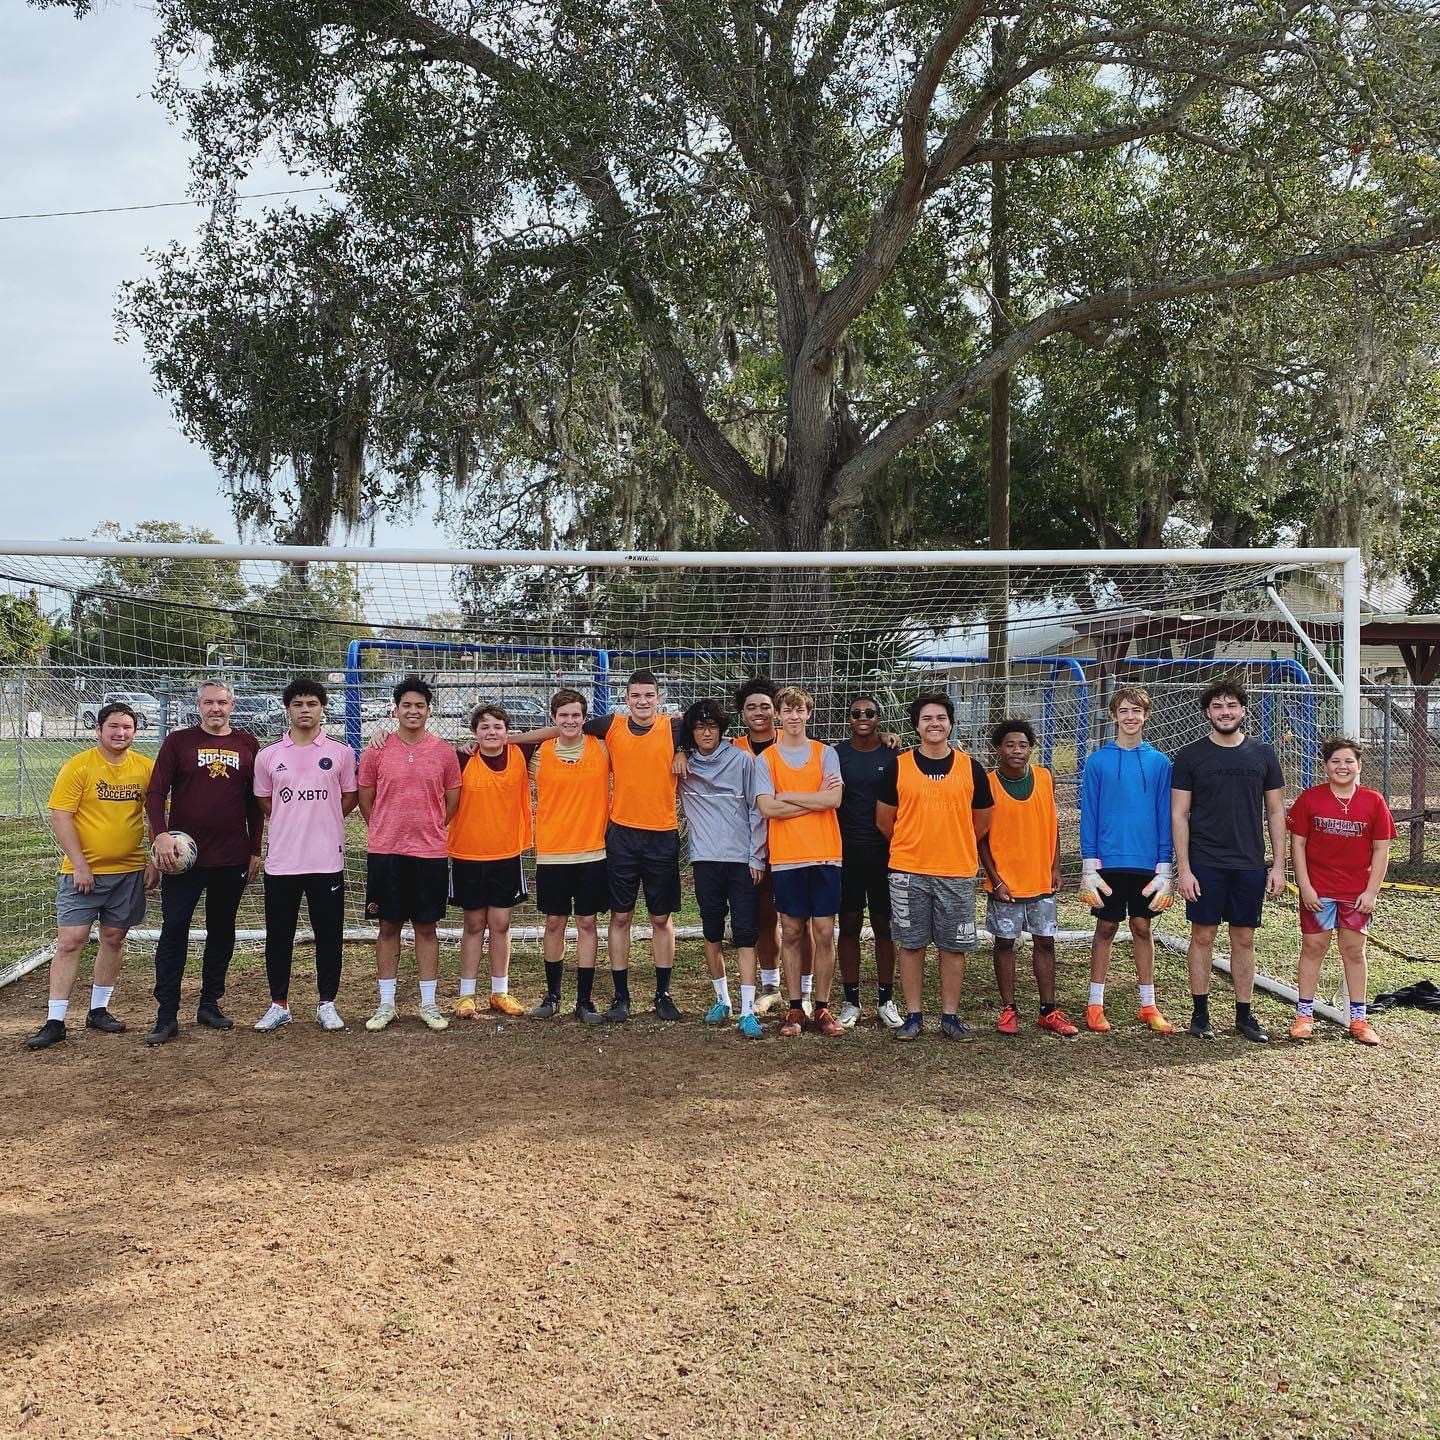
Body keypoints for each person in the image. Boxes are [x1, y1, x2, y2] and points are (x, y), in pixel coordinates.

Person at [514, 669, 687, 1022]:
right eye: (635, 695)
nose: (642, 701)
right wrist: (507, 739)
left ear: (659, 698)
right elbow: (562, 729)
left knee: (660, 917)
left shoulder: (674, 727)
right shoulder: (611, 728)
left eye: (649, 695)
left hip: (661, 834)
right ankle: (619, 996)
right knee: (619, 916)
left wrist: (683, 748)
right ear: (626, 698)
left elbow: (709, 728)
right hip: (619, 836)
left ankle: (663, 993)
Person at [27, 702, 159, 1049]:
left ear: (135, 731)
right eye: (113, 726)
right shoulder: (79, 766)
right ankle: (55, 1020)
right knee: (71, 940)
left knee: (114, 938)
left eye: (127, 727)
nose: (120, 733)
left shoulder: (145, 768)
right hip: (82, 873)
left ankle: (98, 1010)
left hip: (129, 872)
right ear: (98, 730)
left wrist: (154, 860)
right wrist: (80, 864)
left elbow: (156, 817)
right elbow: (61, 816)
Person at [142, 678, 263, 1046]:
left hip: (231, 856)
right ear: (199, 706)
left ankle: (209, 1004)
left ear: (232, 705)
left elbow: (254, 803)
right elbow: (155, 792)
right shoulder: (178, 742)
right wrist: (161, 835)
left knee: (222, 930)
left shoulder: (247, 744)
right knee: (174, 928)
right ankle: (166, 1014)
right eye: (209, 702)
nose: (215, 708)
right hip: (183, 858)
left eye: (222, 702)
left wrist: (254, 849)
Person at [1171, 679, 1286, 1043]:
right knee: (1203, 935)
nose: (1225, 712)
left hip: (1249, 863)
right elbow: (1179, 814)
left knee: (1244, 938)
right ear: (1208, 712)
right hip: (1205, 862)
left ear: (1243, 710)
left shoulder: (1263, 754)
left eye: (1232, 705)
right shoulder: (1190, 756)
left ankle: (1244, 1015)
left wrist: (1278, 865)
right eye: (1218, 706)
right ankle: (1200, 1013)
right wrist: (1184, 869)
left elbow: (1276, 811)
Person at [875, 692, 994, 1042]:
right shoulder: (899, 766)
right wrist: (914, 843)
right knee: (911, 944)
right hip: (907, 870)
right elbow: (885, 820)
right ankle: (913, 1015)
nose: (934, 724)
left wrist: (952, 842)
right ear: (916, 726)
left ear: (951, 723)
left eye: (941, 717)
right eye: (927, 718)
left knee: (953, 946)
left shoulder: (971, 768)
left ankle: (950, 1016)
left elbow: (982, 821)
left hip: (955, 871)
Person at [251, 678, 359, 1033]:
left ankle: (327, 1003)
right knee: (278, 935)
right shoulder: (268, 755)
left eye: (312, 703)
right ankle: (278, 1004)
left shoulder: (341, 752)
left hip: (326, 860)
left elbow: (348, 797)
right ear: (288, 709)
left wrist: (323, 819)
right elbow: (264, 800)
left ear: (322, 708)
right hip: (282, 861)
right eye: (297, 704)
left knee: (329, 934)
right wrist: (293, 818)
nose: (305, 710)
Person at [357, 676, 461, 1032]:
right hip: (386, 851)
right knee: (388, 926)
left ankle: (429, 1004)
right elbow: (366, 798)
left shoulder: (444, 752)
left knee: (426, 928)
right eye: (407, 705)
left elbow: (451, 802)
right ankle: (386, 1004)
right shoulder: (376, 749)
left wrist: (428, 827)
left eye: (420, 705)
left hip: (429, 852)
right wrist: (385, 827)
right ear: (396, 710)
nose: (413, 711)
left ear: (429, 711)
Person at [1078, 686, 1176, 1035]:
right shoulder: (1097, 761)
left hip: (1147, 863)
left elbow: (1165, 814)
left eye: (1136, 710)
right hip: (1108, 862)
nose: (1130, 716)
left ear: (1146, 716)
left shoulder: (1160, 763)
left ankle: (1148, 1004)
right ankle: (1095, 1004)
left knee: (1141, 927)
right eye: (1124, 710)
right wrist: (1089, 864)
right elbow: (1089, 814)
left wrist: (1165, 866)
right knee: (1106, 928)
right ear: (1113, 716)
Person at [1286, 737, 1395, 1046]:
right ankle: (1304, 1015)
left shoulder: (1373, 801)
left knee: (1354, 951)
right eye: (1335, 761)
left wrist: (1371, 892)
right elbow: (1297, 844)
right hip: (1319, 891)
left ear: (1359, 766)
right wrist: (1305, 886)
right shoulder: (1310, 799)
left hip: (1356, 892)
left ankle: (1358, 1019)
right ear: (1325, 766)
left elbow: (1382, 849)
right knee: (1313, 947)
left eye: (1349, 761)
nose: (1342, 766)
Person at [753, 686, 846, 1038]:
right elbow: (767, 807)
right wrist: (814, 799)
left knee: (823, 931)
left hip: (825, 854)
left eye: (799, 710)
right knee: (791, 931)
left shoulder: (825, 754)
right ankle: (794, 1008)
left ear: (809, 713)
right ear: (778, 714)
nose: (794, 716)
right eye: (787, 710)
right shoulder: (767, 759)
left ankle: (821, 1006)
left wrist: (789, 795)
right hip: (787, 857)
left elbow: (834, 800)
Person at [677, 698, 767, 1037]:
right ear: (691, 732)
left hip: (741, 861)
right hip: (705, 861)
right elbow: (655, 728)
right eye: (699, 727)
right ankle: (722, 1000)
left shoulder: (742, 760)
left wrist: (756, 856)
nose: (706, 733)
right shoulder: (684, 765)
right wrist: (678, 750)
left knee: (745, 934)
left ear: (722, 729)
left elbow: (757, 809)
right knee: (712, 931)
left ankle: (747, 1010)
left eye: (712, 726)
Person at [983, 718, 1078, 1038]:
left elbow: (1052, 825)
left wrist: (1055, 867)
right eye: (1010, 745)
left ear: (1030, 750)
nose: (1017, 750)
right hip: (1006, 883)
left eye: (1023, 745)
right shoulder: (988, 784)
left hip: (1040, 879)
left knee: (1045, 942)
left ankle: (1048, 1010)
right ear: (998, 750)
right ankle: (1008, 1009)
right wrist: (995, 879)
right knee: (1004, 943)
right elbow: (981, 838)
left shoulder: (1045, 777)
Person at [448, 703, 534, 1019]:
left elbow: (555, 730)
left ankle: (500, 992)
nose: (491, 732)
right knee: (473, 924)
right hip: (468, 854)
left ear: (507, 731)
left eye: (498, 726)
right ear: (474, 732)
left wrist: (514, 738)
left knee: (500, 924)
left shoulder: (519, 753)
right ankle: (466, 995)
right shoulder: (461, 759)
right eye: (484, 727)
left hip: (506, 854)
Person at [529, 688, 609, 1023]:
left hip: (592, 851)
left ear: (585, 718)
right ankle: (552, 996)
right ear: (553, 718)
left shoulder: (602, 748)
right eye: (563, 715)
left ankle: (585, 1000)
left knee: (587, 922)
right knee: (554, 922)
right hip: (552, 852)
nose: (570, 720)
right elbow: (494, 751)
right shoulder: (539, 754)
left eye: (576, 715)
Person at [834, 693, 902, 1029]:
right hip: (846, 852)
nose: (863, 717)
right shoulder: (836, 755)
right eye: (856, 713)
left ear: (879, 717)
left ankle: (886, 1000)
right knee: (848, 924)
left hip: (884, 852)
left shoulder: (893, 754)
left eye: (870, 713)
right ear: (848, 718)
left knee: (883, 925)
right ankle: (851, 1001)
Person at [731, 676, 796, 1013]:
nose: (759, 712)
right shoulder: (733, 749)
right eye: (751, 707)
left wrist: (884, 738)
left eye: (765, 706)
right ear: (742, 713)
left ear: (777, 711)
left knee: (798, 920)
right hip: (750, 848)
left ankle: (804, 990)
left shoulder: (794, 741)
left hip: (795, 842)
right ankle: (770, 985)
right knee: (763, 917)